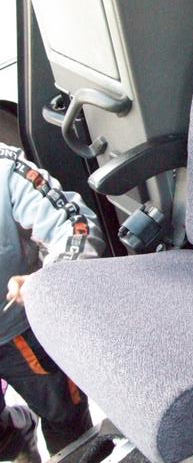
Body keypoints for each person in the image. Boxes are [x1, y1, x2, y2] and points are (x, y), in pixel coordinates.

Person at [0, 142, 105, 462]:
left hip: (20, 328)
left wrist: (46, 283)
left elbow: (75, 226)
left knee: (67, 417)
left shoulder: (6, 170)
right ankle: (15, 437)